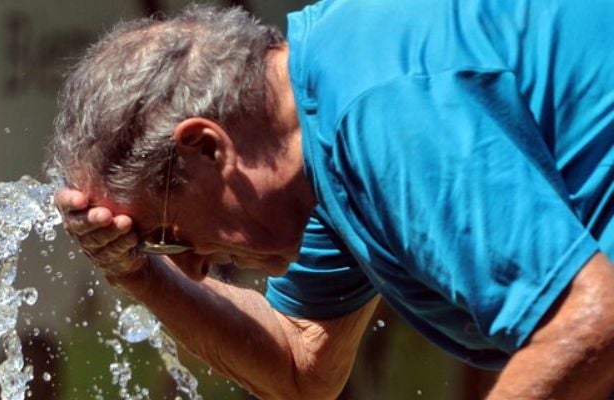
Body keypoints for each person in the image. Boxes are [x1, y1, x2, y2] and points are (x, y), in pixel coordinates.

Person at [51, 1, 614, 398]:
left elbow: (593, 321)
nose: (194, 267)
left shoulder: (383, 111)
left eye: (168, 238)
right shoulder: (322, 128)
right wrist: (139, 273)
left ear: (205, 148)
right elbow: (301, 367)